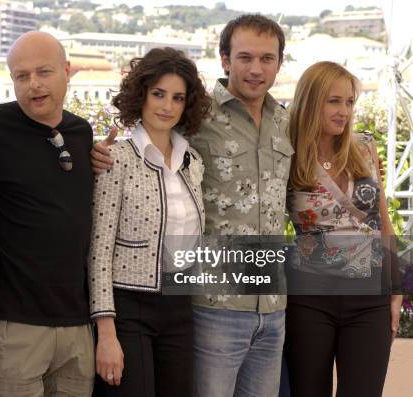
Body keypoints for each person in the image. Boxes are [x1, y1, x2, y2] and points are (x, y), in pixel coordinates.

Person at [92, 14, 291, 397]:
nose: (256, 68)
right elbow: (138, 145)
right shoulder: (197, 119)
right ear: (225, 59)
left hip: (268, 306)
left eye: (267, 58)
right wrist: (95, 156)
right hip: (211, 305)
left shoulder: (284, 121)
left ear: (280, 63)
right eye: (245, 56)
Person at [0, 31, 95, 396]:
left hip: (77, 326)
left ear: (67, 71)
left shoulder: (82, 134)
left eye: (44, 72)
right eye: (21, 76)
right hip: (11, 325)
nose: (33, 84)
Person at [89, 47, 210, 397]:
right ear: (140, 95)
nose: (166, 106)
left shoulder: (193, 161)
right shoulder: (116, 159)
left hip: (179, 307)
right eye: (158, 94)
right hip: (129, 309)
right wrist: (106, 334)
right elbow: (99, 251)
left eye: (177, 97)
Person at [285, 61, 402, 397]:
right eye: (333, 101)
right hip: (309, 298)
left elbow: (384, 223)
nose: (344, 111)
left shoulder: (363, 147)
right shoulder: (287, 156)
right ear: (310, 101)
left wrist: (396, 291)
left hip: (369, 298)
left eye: (349, 102)